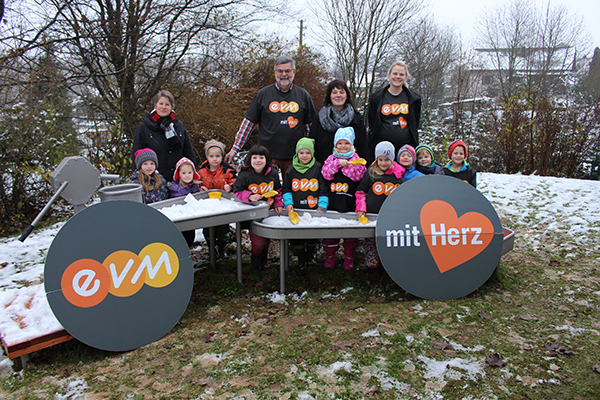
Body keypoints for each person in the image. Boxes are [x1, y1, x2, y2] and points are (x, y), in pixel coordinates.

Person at [224, 56, 316, 174]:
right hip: (267, 159)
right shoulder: (263, 95)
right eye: (280, 71)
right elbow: (248, 124)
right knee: (268, 192)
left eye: (287, 71)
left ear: (293, 72)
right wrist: (234, 149)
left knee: (293, 192)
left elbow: (310, 129)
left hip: (296, 159)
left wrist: (311, 152)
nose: (284, 74)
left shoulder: (303, 96)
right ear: (275, 72)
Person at [321, 127, 367, 270]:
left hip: (349, 202)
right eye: (340, 143)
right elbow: (326, 174)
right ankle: (330, 256)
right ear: (335, 145)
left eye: (346, 143)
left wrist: (346, 166)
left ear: (352, 145)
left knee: (350, 234)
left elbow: (359, 175)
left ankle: (349, 257)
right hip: (334, 202)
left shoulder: (356, 159)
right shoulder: (331, 159)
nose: (343, 146)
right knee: (331, 233)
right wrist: (337, 165)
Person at [356, 141, 404, 274]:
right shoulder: (371, 173)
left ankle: (386, 265)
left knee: (386, 241)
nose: (383, 163)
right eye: (380, 159)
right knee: (370, 242)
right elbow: (361, 192)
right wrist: (361, 209)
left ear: (392, 159)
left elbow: (402, 195)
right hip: (371, 216)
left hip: (390, 217)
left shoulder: (398, 176)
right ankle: (373, 267)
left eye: (387, 160)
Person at [233, 145, 283, 270]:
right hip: (252, 215)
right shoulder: (244, 175)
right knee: (259, 243)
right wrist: (249, 196)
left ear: (267, 159)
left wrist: (278, 203)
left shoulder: (273, 173)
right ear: (250, 159)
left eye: (261, 157)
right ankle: (255, 265)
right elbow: (237, 192)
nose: (258, 160)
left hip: (269, 213)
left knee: (266, 240)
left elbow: (278, 190)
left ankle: (263, 263)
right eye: (255, 157)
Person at [282, 138, 328, 268]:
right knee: (298, 236)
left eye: (308, 153)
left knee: (312, 235)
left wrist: (323, 205)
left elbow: (323, 188)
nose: (305, 156)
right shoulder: (291, 170)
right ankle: (301, 258)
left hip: (314, 208)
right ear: (297, 154)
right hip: (296, 210)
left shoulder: (318, 168)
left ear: (312, 153)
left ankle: (311, 256)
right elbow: (286, 189)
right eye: (301, 153)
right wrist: (288, 204)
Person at [132, 90, 196, 181]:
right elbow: (136, 155)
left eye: (167, 104)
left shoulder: (179, 127)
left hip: (178, 181)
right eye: (161, 103)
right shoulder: (144, 128)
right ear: (155, 105)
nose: (163, 107)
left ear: (171, 107)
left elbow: (189, 153)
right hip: (154, 182)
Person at [367, 61, 421, 161]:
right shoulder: (377, 98)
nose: (398, 77)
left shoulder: (414, 99)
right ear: (389, 75)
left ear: (406, 77)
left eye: (401, 74)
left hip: (405, 149)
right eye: (395, 73)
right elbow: (372, 122)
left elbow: (415, 122)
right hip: (383, 149)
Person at [309, 79, 369, 164]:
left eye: (341, 92)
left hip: (351, 170)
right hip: (325, 170)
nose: (338, 95)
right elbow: (313, 146)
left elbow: (363, 146)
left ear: (347, 95)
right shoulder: (319, 118)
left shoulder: (356, 118)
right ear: (329, 96)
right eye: (334, 92)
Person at [197, 140, 238, 258]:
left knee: (223, 228)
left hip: (223, 205)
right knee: (208, 228)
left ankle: (222, 247)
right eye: (211, 156)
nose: (214, 159)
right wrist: (200, 188)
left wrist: (230, 187)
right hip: (207, 205)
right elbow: (195, 182)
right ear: (207, 157)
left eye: (218, 156)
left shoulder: (227, 170)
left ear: (222, 156)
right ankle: (211, 249)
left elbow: (235, 181)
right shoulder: (201, 171)